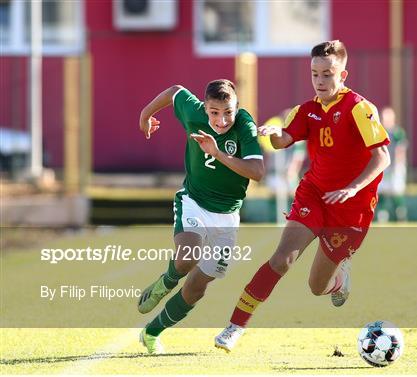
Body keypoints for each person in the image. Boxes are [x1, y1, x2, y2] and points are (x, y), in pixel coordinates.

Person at [214, 40, 391, 352]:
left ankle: (339, 279)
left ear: (343, 74)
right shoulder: (306, 111)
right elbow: (285, 140)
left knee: (316, 287)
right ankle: (235, 326)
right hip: (314, 195)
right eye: (315, 74)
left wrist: (353, 187)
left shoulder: (360, 109)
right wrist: (274, 136)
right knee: (281, 260)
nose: (320, 81)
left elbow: (382, 158)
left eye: (327, 74)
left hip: (352, 209)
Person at [137, 79, 264, 354]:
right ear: (205, 108)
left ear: (237, 107)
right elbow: (174, 92)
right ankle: (167, 282)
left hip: (227, 216)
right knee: (187, 257)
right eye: (214, 112)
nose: (221, 120)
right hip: (194, 201)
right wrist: (145, 115)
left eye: (228, 112)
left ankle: (151, 332)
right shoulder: (194, 113)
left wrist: (217, 153)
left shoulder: (245, 125)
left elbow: (257, 171)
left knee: (197, 286)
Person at [377, 107, 408, 222]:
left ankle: (400, 217)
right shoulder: (379, 132)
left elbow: (400, 150)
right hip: (383, 167)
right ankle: (382, 217)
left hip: (395, 167)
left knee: (396, 191)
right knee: (381, 192)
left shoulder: (397, 133)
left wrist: (397, 166)